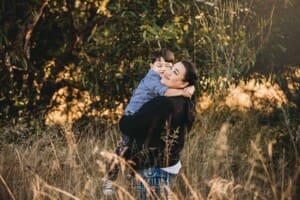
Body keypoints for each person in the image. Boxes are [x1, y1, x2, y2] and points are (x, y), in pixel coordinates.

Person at [102, 50, 195, 195]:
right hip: (170, 164)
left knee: (122, 149)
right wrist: (187, 90)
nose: (165, 70)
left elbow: (129, 127)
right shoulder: (185, 101)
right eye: (159, 65)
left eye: (172, 70)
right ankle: (115, 176)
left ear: (184, 83)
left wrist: (124, 121)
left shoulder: (163, 102)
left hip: (154, 168)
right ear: (151, 66)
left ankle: (111, 179)